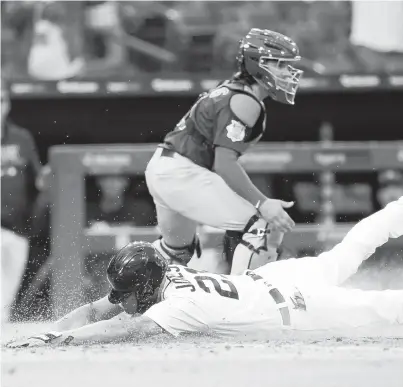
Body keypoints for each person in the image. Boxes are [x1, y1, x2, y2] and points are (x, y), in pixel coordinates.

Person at [6, 197, 403, 348]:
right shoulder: (160, 277)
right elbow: (96, 312)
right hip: (281, 277)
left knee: (386, 306)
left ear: (143, 287)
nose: (119, 301)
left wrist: (62, 342)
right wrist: (51, 330)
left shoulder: (178, 305)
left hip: (299, 306)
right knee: (353, 247)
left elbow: (117, 329)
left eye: (124, 293)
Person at [145, 28, 303, 273]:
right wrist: (262, 203)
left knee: (173, 255)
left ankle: (125, 302)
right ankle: (243, 304)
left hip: (163, 168)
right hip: (182, 173)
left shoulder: (231, 88)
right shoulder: (246, 100)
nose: (288, 73)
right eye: (281, 65)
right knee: (262, 225)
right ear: (259, 65)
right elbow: (224, 163)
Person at [1, 79, 43, 322]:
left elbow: (39, 182)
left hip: (17, 229)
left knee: (6, 300)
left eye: (1, 100)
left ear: (8, 103)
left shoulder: (21, 138)